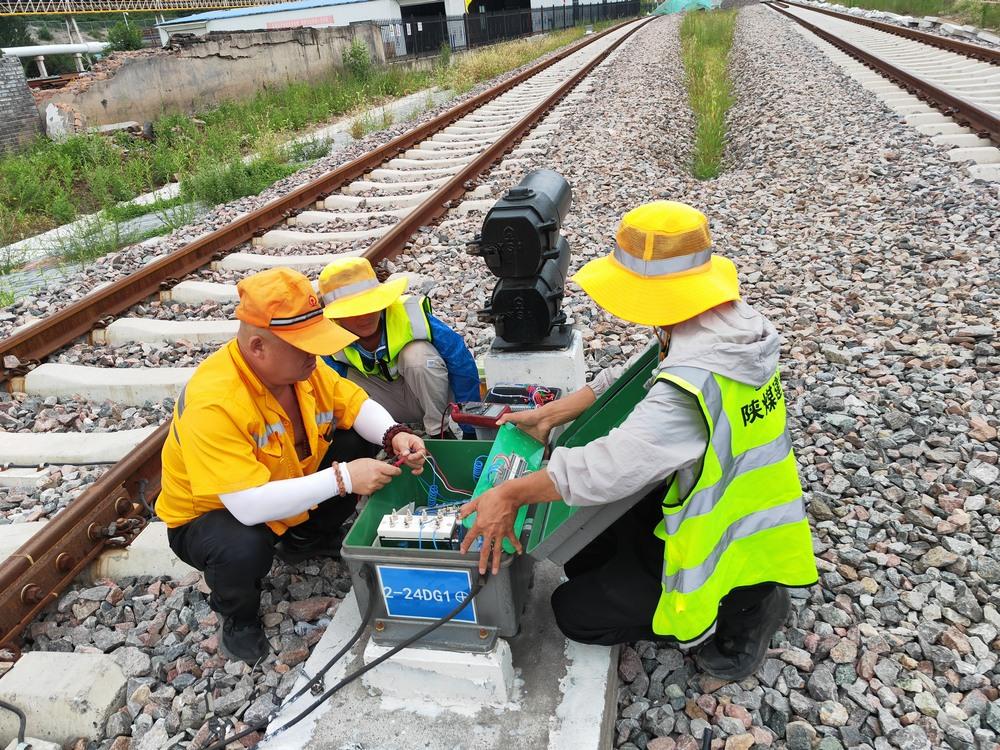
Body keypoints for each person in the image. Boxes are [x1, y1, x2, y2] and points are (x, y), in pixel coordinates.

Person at [459, 201, 818, 680]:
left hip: (727, 547)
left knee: (574, 611)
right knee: (583, 554)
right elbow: (639, 372)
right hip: (723, 505)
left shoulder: (692, 383)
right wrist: (553, 413)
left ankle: (748, 610)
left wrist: (508, 493)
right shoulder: (723, 324)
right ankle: (691, 582)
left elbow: (607, 467)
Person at [157, 267, 427, 664]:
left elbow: (353, 404)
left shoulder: (303, 371)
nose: (314, 355)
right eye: (303, 346)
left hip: (279, 484)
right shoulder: (214, 401)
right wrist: (344, 478)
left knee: (356, 440)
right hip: (213, 516)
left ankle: (304, 541)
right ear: (257, 347)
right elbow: (247, 505)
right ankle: (238, 616)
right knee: (242, 548)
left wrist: (393, 434)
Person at [317, 257, 480, 438]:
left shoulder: (409, 315)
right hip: (380, 407)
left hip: (429, 397)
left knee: (417, 356)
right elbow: (328, 393)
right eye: (352, 311)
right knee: (334, 380)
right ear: (336, 317)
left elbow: (460, 360)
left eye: (369, 304)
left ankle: (438, 432)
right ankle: (380, 435)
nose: (364, 316)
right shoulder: (328, 338)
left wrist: (470, 426)